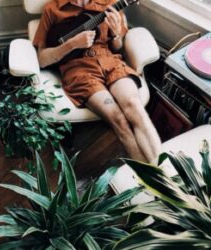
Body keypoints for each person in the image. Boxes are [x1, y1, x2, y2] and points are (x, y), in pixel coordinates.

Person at [33, 0, 162, 163]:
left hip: (110, 61)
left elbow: (118, 47)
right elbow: (42, 59)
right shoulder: (52, 9)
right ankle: (148, 180)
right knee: (119, 120)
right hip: (78, 70)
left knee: (135, 107)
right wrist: (71, 45)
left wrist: (115, 34)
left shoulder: (109, 4)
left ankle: (165, 175)